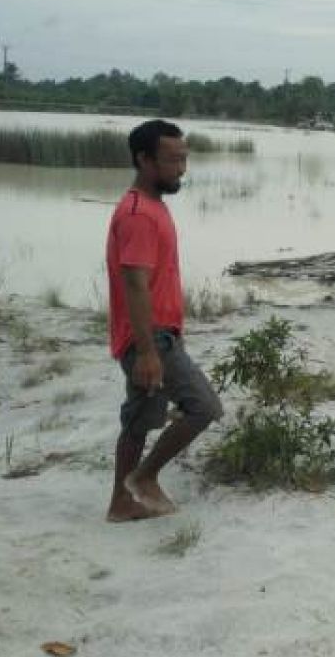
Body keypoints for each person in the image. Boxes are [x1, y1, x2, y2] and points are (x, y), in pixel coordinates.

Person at [104, 120, 223, 523]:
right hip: (149, 338)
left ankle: (122, 502)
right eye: (173, 160)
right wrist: (148, 351)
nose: (182, 169)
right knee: (203, 407)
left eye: (184, 158)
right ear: (144, 159)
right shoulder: (138, 213)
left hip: (158, 335)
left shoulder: (154, 206)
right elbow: (134, 284)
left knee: (139, 419)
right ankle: (144, 478)